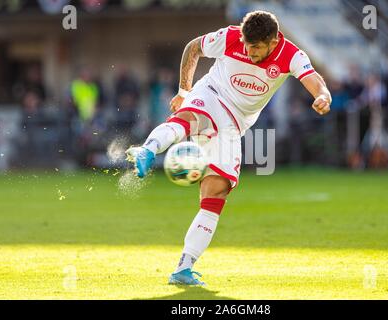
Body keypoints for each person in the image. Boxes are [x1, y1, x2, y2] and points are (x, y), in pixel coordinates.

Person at [126, 11, 331, 286]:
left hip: (234, 123)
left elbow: (313, 79)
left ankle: (183, 268)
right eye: (246, 44)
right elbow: (193, 48)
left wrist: (322, 95)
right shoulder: (231, 36)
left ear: (272, 42)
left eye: (255, 47)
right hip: (211, 93)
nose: (248, 50)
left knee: (217, 190)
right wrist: (184, 91)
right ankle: (148, 150)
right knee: (191, 117)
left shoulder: (291, 55)